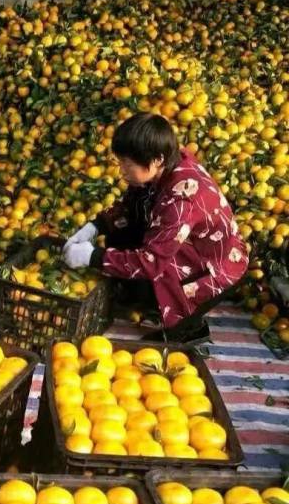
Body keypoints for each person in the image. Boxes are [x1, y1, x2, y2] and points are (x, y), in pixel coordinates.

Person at [63, 112, 248, 343]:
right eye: (120, 162)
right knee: (120, 233)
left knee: (158, 272)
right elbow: (131, 204)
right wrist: (97, 225)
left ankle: (189, 329)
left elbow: (151, 263)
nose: (121, 171)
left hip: (213, 267)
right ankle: (143, 297)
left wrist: (93, 257)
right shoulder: (168, 162)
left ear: (157, 160)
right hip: (188, 245)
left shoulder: (182, 199)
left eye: (126, 164)